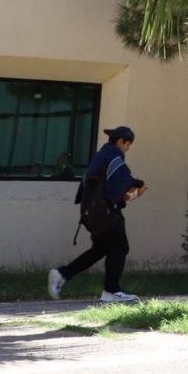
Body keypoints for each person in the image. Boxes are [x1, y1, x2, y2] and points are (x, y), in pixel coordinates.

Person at [48, 126, 146, 303]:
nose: (128, 148)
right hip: (106, 212)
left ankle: (63, 273)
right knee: (120, 247)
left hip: (90, 212)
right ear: (120, 141)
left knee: (100, 248)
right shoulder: (114, 156)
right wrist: (138, 184)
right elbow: (122, 181)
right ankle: (112, 290)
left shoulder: (101, 155)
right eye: (127, 144)